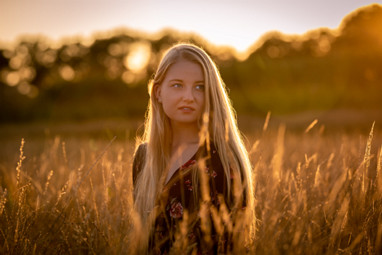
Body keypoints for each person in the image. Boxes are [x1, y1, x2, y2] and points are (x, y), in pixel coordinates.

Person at [131, 43, 255, 254]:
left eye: (200, 87)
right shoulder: (144, 157)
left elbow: (231, 243)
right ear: (158, 92)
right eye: (177, 85)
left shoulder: (222, 159)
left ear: (211, 95)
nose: (188, 96)